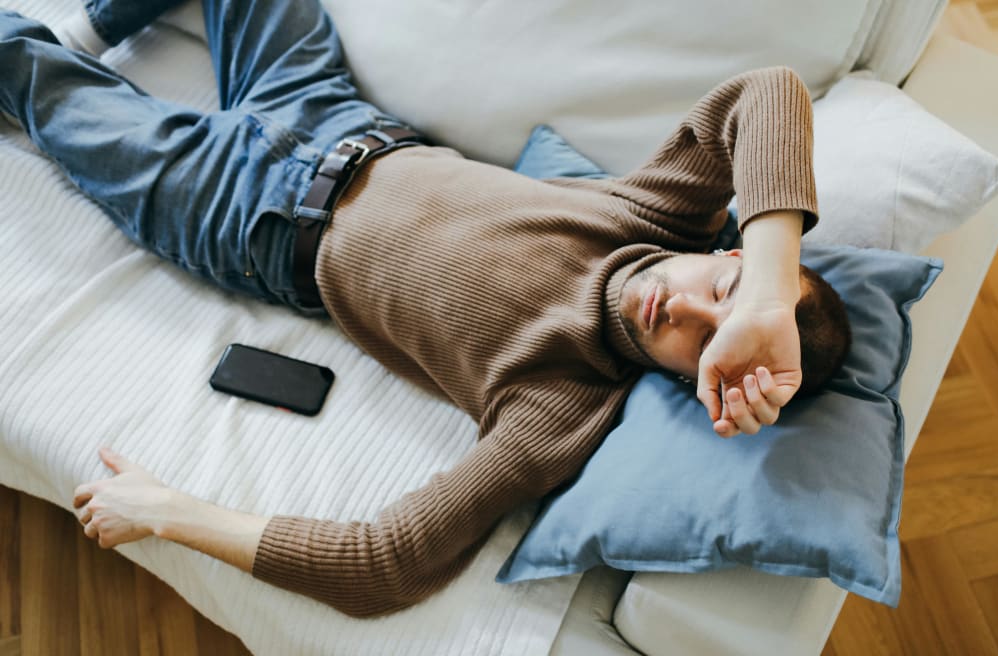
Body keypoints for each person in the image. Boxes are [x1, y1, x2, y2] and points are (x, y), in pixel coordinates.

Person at [0, 0, 851, 618]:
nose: (690, 313)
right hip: (330, 109)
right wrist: (770, 296)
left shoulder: (563, 402)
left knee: (14, 58)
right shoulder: (659, 216)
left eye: (703, 348)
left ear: (697, 389)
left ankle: (49, 67)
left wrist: (169, 513)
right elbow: (769, 92)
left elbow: (387, 565)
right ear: (732, 250)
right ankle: (94, 28)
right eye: (722, 292)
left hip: (237, 216)